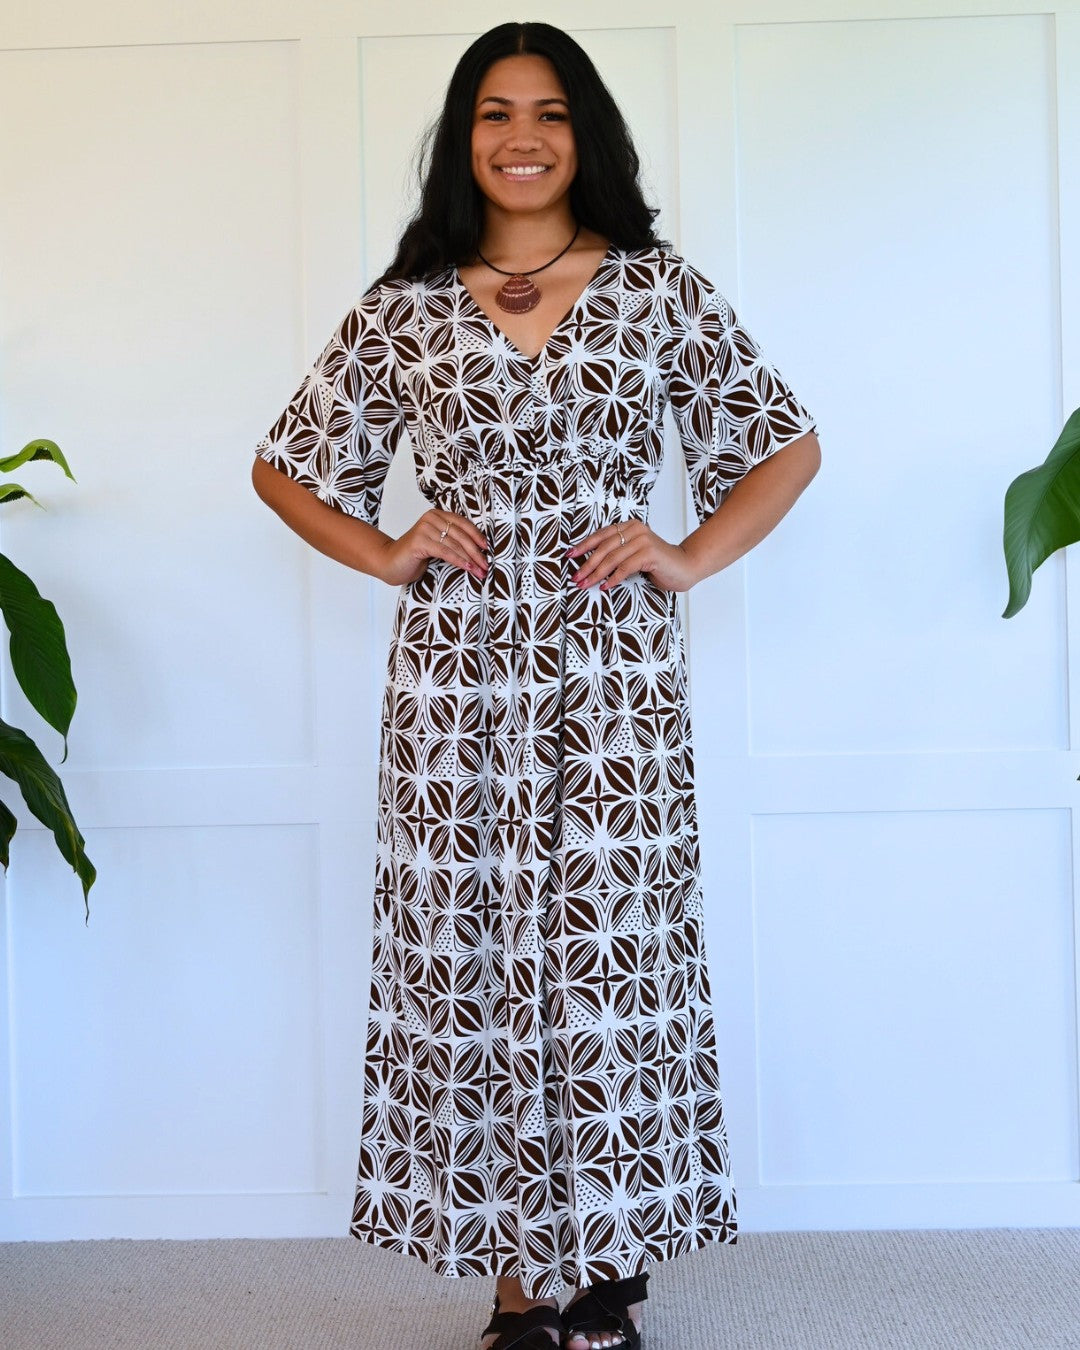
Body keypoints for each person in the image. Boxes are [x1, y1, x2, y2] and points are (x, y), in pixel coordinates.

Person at [251, 20, 820, 1350]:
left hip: (613, 673)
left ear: (587, 136)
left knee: (610, 962)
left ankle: (605, 1259)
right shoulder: (404, 304)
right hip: (456, 695)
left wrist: (681, 553)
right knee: (485, 962)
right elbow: (287, 465)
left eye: (551, 112)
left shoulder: (657, 289)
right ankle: (519, 1277)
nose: (523, 136)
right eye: (495, 112)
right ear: (463, 139)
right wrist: (392, 547)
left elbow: (782, 446)